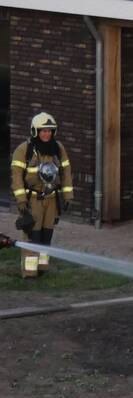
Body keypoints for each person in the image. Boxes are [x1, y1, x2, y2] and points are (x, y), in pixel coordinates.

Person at [10, 112, 72, 277]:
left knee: (46, 234)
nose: (47, 134)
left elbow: (66, 172)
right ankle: (30, 272)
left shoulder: (57, 149)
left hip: (51, 199)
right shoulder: (24, 150)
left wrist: (67, 196)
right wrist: (21, 200)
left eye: (50, 130)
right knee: (32, 235)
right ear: (35, 131)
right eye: (43, 130)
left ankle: (42, 268)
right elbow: (16, 177)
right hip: (33, 201)